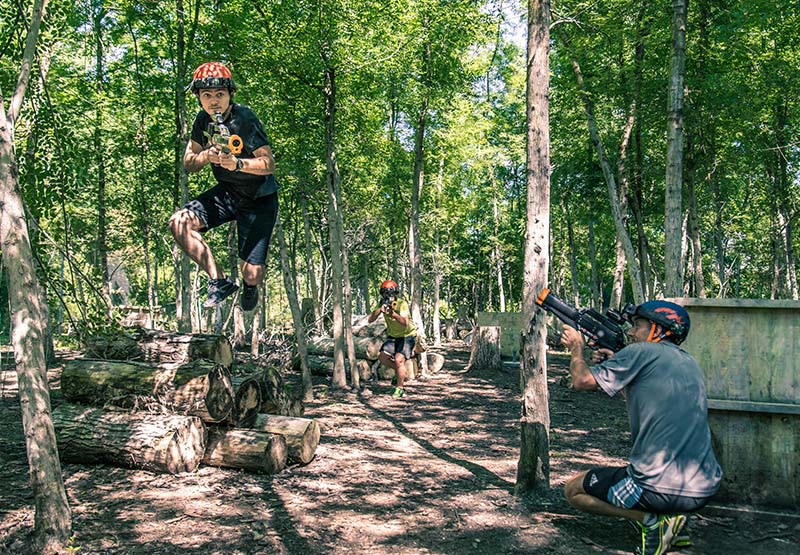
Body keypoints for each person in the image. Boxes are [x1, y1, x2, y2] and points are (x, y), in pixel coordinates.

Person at [560, 300, 723, 555]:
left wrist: (576, 348)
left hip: (658, 488)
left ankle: (653, 520)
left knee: (573, 490)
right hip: (703, 488)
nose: (632, 332)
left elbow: (581, 381)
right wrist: (617, 365)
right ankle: (675, 527)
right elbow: (649, 394)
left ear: (658, 330)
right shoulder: (688, 362)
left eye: (638, 325)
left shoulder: (641, 352)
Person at [168, 62, 278, 311]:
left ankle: (250, 286)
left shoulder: (245, 118)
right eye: (207, 95)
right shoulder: (201, 120)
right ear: (199, 97)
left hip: (259, 198)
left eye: (220, 94)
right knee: (178, 222)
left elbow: (269, 163)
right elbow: (189, 162)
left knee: (251, 274)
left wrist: (237, 164)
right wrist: (206, 155)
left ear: (230, 95)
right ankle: (219, 280)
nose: (214, 101)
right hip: (228, 194)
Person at [367, 280, 417, 398]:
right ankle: (400, 372)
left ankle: (400, 388)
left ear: (395, 293)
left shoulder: (401, 303)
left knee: (399, 359)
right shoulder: (381, 304)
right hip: (393, 336)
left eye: (390, 293)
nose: (388, 296)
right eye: (385, 293)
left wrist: (392, 314)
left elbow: (405, 323)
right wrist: (380, 310)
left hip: (407, 335)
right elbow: (370, 319)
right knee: (382, 357)